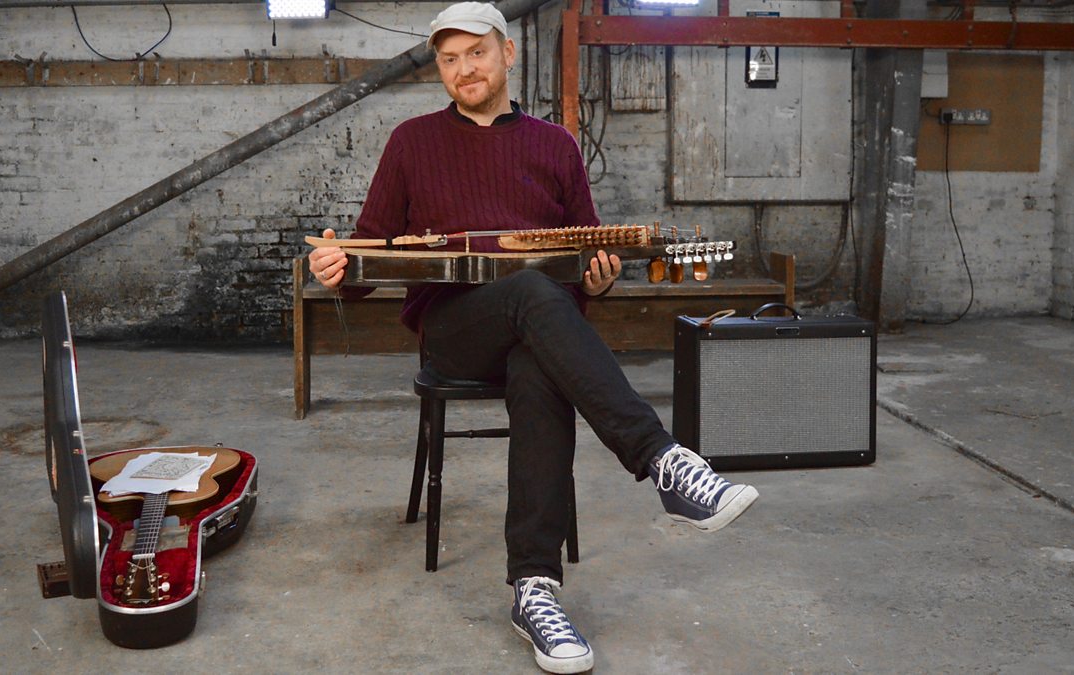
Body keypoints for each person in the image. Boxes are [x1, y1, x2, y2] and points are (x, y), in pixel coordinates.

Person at [307, 3, 759, 672]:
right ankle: (662, 459)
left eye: (476, 53)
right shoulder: (411, 142)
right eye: (449, 59)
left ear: (508, 54)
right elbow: (369, 251)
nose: (464, 69)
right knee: (530, 293)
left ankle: (534, 588)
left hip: (539, 329)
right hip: (454, 330)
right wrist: (337, 267)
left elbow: (586, 255)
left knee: (537, 363)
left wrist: (599, 281)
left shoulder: (556, 145)